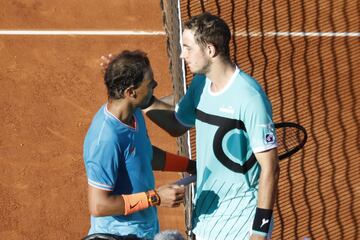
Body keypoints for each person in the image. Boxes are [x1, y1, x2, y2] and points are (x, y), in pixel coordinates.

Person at [143, 12, 280, 240]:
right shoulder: (200, 84)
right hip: (206, 217)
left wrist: (259, 231)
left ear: (210, 50)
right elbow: (177, 126)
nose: (181, 54)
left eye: (188, 48)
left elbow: (270, 168)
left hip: (240, 222)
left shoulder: (250, 98)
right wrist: (143, 100)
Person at [83, 50, 196, 240]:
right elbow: (99, 205)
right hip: (118, 235)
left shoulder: (133, 113)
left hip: (144, 229)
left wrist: (191, 166)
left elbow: (145, 156)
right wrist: (155, 197)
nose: (155, 85)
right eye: (149, 83)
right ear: (130, 92)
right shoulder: (105, 140)